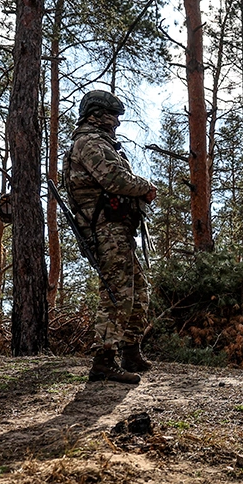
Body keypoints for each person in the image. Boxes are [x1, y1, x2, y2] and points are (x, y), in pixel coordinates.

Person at [63, 89, 157, 384]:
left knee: (139, 291)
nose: (116, 122)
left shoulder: (102, 142)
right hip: (105, 229)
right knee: (117, 296)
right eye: (112, 116)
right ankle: (104, 360)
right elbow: (113, 179)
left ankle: (130, 350)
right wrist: (144, 187)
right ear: (97, 114)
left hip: (117, 229)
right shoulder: (89, 143)